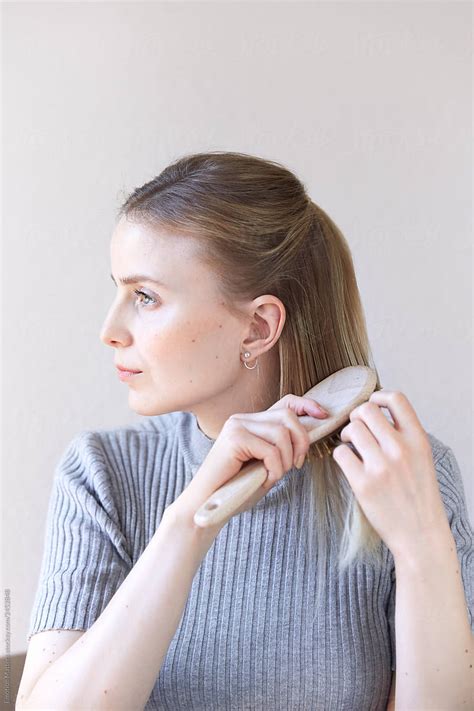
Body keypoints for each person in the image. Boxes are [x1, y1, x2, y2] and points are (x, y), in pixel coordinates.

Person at [18, 152, 473, 710]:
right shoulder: (99, 475)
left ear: (258, 327)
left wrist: (423, 544)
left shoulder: (406, 474)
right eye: (119, 290)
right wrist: (189, 524)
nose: (109, 330)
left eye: (145, 297)